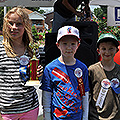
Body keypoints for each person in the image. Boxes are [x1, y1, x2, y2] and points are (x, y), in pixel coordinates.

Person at [0, 7, 43, 120]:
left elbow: (34, 78)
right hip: (7, 111)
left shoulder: (32, 50)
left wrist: (38, 73)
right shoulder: (0, 49)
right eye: (11, 23)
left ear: (25, 26)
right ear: (5, 25)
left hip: (30, 108)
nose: (14, 27)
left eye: (18, 24)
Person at [40, 26, 90, 120]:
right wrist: (47, 117)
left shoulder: (82, 68)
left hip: (77, 117)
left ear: (78, 45)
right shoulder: (50, 68)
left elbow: (85, 95)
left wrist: (85, 117)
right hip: (57, 117)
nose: (69, 47)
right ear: (58, 45)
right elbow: (46, 95)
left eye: (72, 44)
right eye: (65, 43)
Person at [88, 33, 120, 120]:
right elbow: (88, 94)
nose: (107, 52)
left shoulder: (119, 70)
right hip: (96, 117)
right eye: (104, 49)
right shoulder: (92, 70)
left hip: (116, 117)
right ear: (98, 51)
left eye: (111, 49)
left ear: (117, 50)